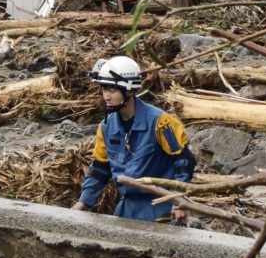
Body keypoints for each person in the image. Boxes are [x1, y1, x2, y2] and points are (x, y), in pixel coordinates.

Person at [72, 56, 196, 223]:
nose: (106, 96)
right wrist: (83, 203)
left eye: (112, 90)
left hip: (161, 211)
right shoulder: (106, 127)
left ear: (129, 90)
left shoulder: (160, 122)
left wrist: (180, 202)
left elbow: (184, 163)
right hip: (125, 209)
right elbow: (100, 169)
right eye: (104, 89)